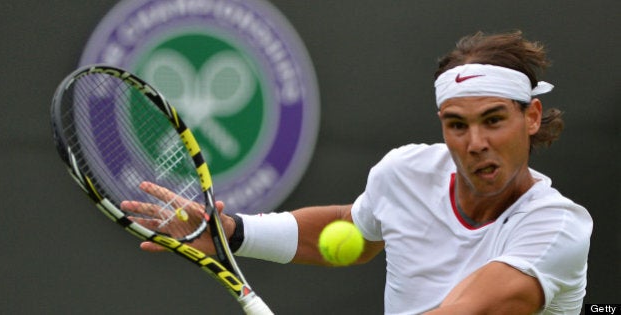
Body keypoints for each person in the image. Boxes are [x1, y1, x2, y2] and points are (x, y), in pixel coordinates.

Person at [133, 31, 592, 314]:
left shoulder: (556, 227)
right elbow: (353, 231)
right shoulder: (405, 174)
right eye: (457, 125)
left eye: (493, 120)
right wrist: (233, 234)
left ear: (531, 117)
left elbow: (464, 310)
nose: (475, 143)